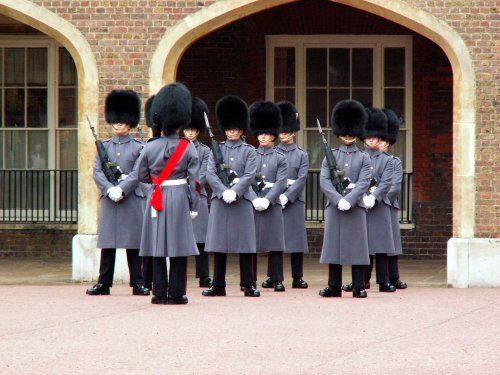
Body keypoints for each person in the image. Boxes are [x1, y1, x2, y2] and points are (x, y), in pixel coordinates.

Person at [137, 82, 200, 305]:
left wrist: (155, 185)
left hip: (156, 198)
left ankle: (158, 293)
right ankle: (176, 293)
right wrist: (194, 206)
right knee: (179, 247)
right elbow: (194, 180)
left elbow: (141, 175)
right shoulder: (187, 146)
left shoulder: (150, 146)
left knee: (157, 247)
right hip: (180, 197)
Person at [86, 89, 150, 297]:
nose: (119, 124)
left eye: (122, 120)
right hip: (110, 200)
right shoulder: (104, 146)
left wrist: (122, 189)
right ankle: (104, 282)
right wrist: (109, 188)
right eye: (116, 120)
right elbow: (97, 171)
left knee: (133, 244)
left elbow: (138, 172)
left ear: (129, 122)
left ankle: (138, 282)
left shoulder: (139, 147)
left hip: (130, 199)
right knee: (108, 244)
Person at [202, 95, 260, 297]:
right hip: (221, 202)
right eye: (229, 128)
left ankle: (248, 283)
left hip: (242, 202)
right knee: (219, 244)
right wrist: (222, 191)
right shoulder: (216, 149)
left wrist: (234, 191)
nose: (232, 131)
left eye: (235, 128)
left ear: (241, 129)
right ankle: (218, 284)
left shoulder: (249, 151)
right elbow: (210, 173)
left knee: (245, 245)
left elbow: (249, 174)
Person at [319, 99, 371, 298]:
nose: (348, 135)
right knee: (334, 247)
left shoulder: (364, 157)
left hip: (355, 206)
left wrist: (349, 199)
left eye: (351, 131)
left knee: (357, 247)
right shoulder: (329, 156)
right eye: (345, 131)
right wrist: (336, 198)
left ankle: (358, 285)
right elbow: (324, 180)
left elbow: (364, 182)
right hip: (335, 207)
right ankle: (334, 285)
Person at [248, 101, 288, 292]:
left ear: (273, 135)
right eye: (260, 133)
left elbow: (281, 182)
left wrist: (268, 199)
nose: (263, 136)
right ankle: (251, 278)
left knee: (275, 242)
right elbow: (245, 180)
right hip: (253, 201)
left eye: (266, 133)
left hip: (272, 203)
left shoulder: (280, 157)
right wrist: (254, 198)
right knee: (251, 243)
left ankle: (276, 278)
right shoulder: (251, 155)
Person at [360, 108, 396, 293]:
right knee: (363, 245)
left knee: (381, 246)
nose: (372, 139)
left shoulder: (387, 160)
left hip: (380, 205)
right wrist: (362, 195)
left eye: (375, 137)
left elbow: (387, 182)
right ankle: (362, 280)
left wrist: (374, 196)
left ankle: (383, 280)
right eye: (369, 137)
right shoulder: (359, 158)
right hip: (362, 205)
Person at [275, 101, 309, 289]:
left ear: (293, 131)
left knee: (296, 241)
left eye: (287, 131)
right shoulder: (272, 152)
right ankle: (275, 276)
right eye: (282, 131)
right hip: (274, 199)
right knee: (276, 240)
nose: (284, 134)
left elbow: (301, 178)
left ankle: (297, 277)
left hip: (294, 201)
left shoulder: (301, 155)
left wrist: (288, 196)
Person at [182, 97, 212, 288]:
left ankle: (203, 274)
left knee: (202, 240)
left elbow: (205, 173)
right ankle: (179, 273)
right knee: (180, 239)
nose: (190, 133)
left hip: (198, 196)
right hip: (179, 197)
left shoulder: (205, 151)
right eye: (187, 129)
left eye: (193, 129)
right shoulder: (177, 148)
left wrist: (191, 185)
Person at [381, 108, 407, 290]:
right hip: (367, 205)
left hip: (386, 205)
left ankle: (393, 276)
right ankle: (363, 278)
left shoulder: (394, 161)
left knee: (389, 244)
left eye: (384, 140)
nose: (380, 143)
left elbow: (394, 186)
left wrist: (377, 198)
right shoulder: (365, 159)